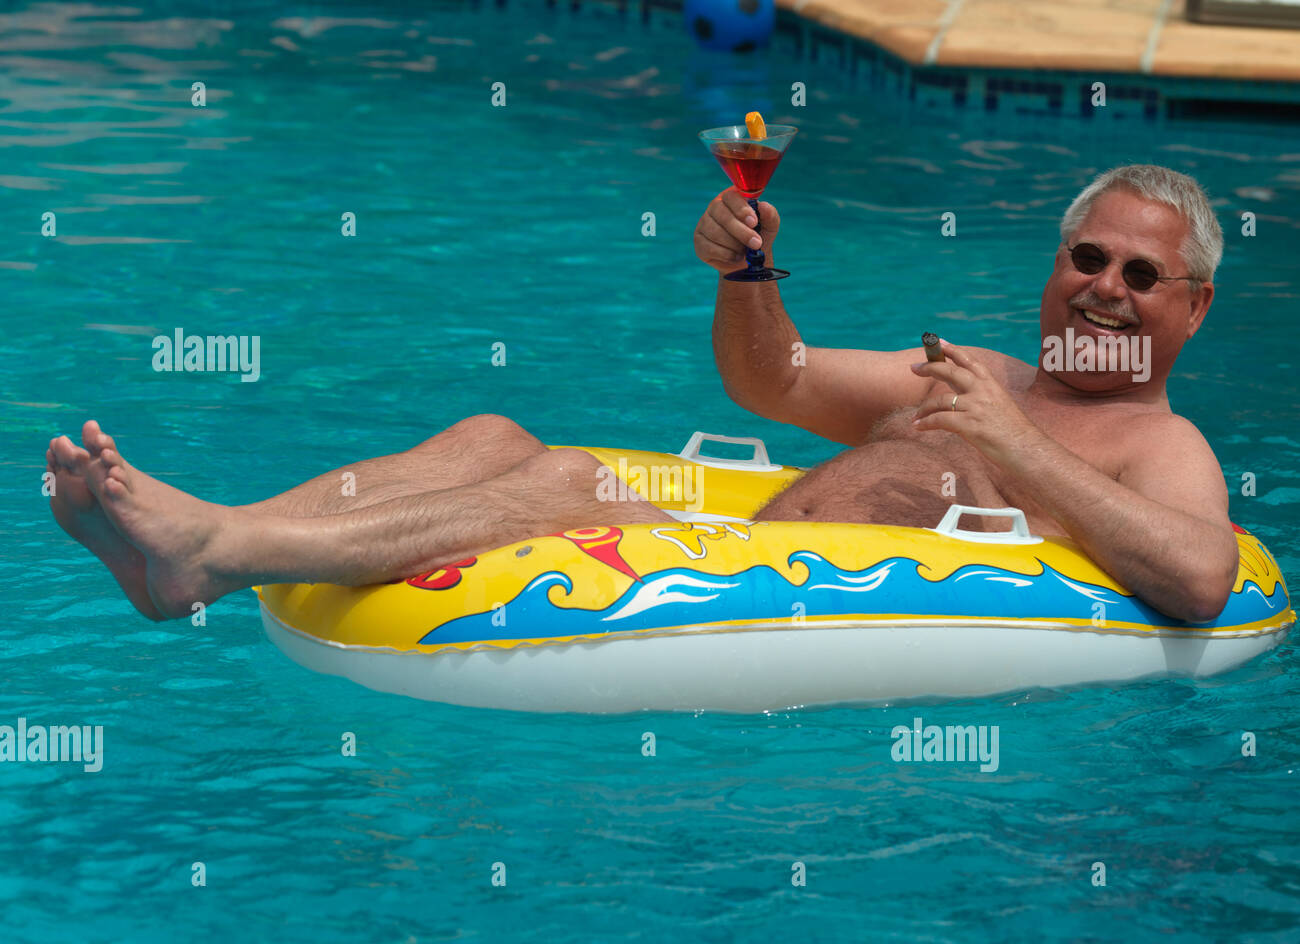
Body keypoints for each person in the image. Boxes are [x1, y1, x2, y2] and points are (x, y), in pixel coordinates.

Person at [47, 164, 1236, 625]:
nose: (1105, 292)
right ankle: (211, 534)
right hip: (748, 535)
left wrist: (1012, 450)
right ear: (1054, 266)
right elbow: (771, 377)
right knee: (495, 431)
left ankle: (210, 555)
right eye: (1087, 259)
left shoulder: (1157, 443)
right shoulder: (978, 375)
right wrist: (748, 270)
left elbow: (1197, 576)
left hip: (763, 577)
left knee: (564, 480)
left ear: (1191, 309)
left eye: (1142, 276)